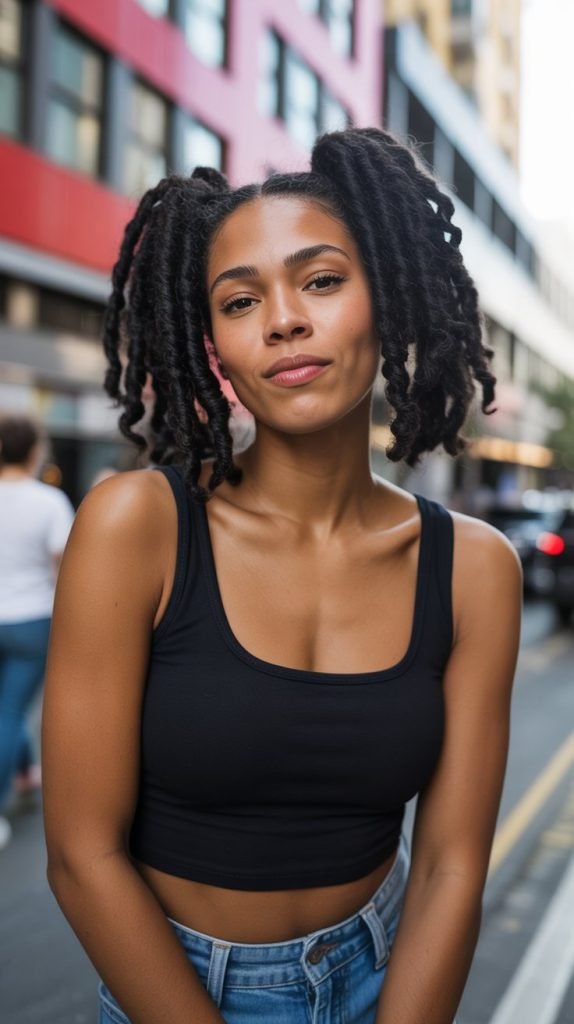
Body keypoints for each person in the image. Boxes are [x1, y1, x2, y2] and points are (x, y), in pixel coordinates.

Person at [42, 127, 522, 1024]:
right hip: (173, 989)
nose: (284, 320)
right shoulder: (138, 527)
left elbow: (454, 863)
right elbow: (78, 851)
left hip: (386, 975)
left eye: (323, 280)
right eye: (238, 299)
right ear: (211, 343)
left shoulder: (473, 569)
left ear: (387, 293)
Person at [0, 415, 74, 850]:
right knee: (10, 710)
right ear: (33, 451)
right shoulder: (49, 501)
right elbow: (61, 568)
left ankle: (26, 773)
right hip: (32, 619)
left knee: (8, 705)